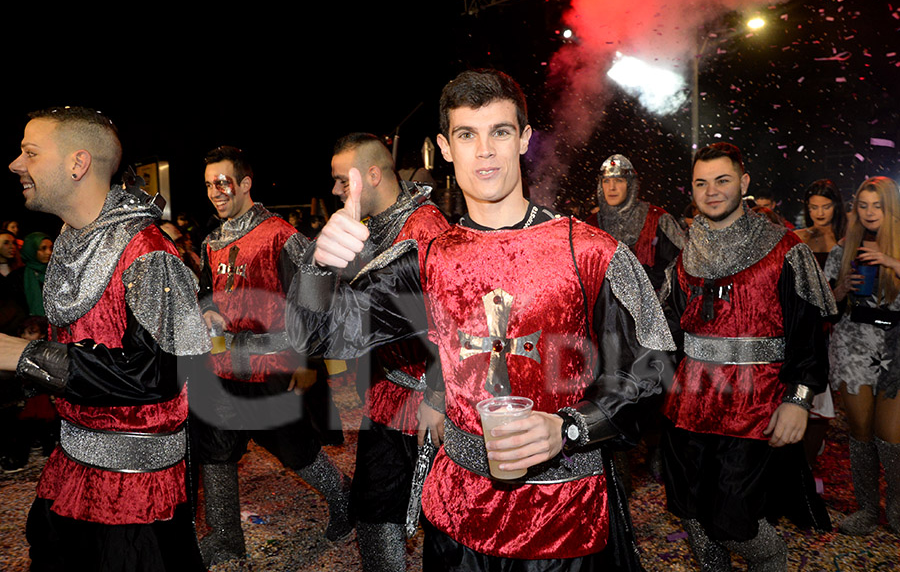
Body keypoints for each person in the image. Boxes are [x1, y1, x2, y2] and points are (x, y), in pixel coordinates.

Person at [287, 69, 675, 570]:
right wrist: (318, 267)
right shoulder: (425, 259)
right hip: (459, 518)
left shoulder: (592, 252)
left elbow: (650, 369)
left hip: (564, 518)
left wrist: (572, 428)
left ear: (525, 140)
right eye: (467, 135)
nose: (485, 151)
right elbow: (313, 337)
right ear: (446, 148)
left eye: (500, 131)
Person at [1, 106, 210, 571]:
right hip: (73, 462)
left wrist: (27, 355)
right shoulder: (73, 237)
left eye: (30, 153)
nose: (16, 164)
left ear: (77, 164)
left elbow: (165, 372)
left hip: (132, 490)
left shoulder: (148, 251)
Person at [662, 142, 836, 571]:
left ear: (743, 183)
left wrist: (797, 400)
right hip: (688, 405)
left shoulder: (783, 247)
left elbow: (809, 335)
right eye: (701, 183)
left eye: (722, 180)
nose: (712, 191)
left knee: (735, 518)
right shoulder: (685, 251)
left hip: (754, 407)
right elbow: (664, 329)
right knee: (692, 511)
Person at [191, 145, 351, 566]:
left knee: (296, 452)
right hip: (224, 366)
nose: (214, 192)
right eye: (208, 184)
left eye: (222, 182)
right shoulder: (210, 241)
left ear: (245, 183)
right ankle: (226, 538)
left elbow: (317, 299)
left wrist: (310, 362)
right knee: (215, 451)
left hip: (275, 366)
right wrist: (207, 308)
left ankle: (345, 499)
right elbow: (206, 292)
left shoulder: (280, 234)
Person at [329, 132, 449, 571]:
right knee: (375, 504)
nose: (336, 191)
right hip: (385, 391)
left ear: (372, 175)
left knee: (436, 513)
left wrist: (436, 396)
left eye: (343, 180)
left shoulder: (426, 229)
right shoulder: (371, 228)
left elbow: (456, 321)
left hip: (426, 399)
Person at [824, 176, 900, 535]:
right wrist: (840, 288)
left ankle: (897, 511)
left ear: (891, 208)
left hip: (896, 346)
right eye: (864, 205)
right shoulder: (845, 246)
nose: (870, 213)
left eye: (878, 206)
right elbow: (827, 303)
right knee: (861, 432)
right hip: (854, 342)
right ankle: (868, 509)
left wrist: (890, 260)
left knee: (891, 434)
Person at [795, 179, 847, 465]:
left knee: (825, 393)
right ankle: (804, 458)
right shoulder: (798, 237)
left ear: (836, 207)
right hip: (807, 320)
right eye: (813, 206)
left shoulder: (847, 238)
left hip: (840, 322)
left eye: (826, 206)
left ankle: (813, 456)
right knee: (809, 390)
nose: (819, 212)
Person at [587, 154, 685, 297]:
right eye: (606, 181)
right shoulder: (590, 225)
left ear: (630, 185)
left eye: (619, 180)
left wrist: (647, 282)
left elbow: (680, 264)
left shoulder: (657, 219)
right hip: (603, 313)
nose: (612, 187)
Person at [9, 232, 53, 316]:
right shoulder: (17, 277)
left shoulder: (57, 272)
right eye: (43, 248)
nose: (49, 252)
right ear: (31, 250)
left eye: (51, 248)